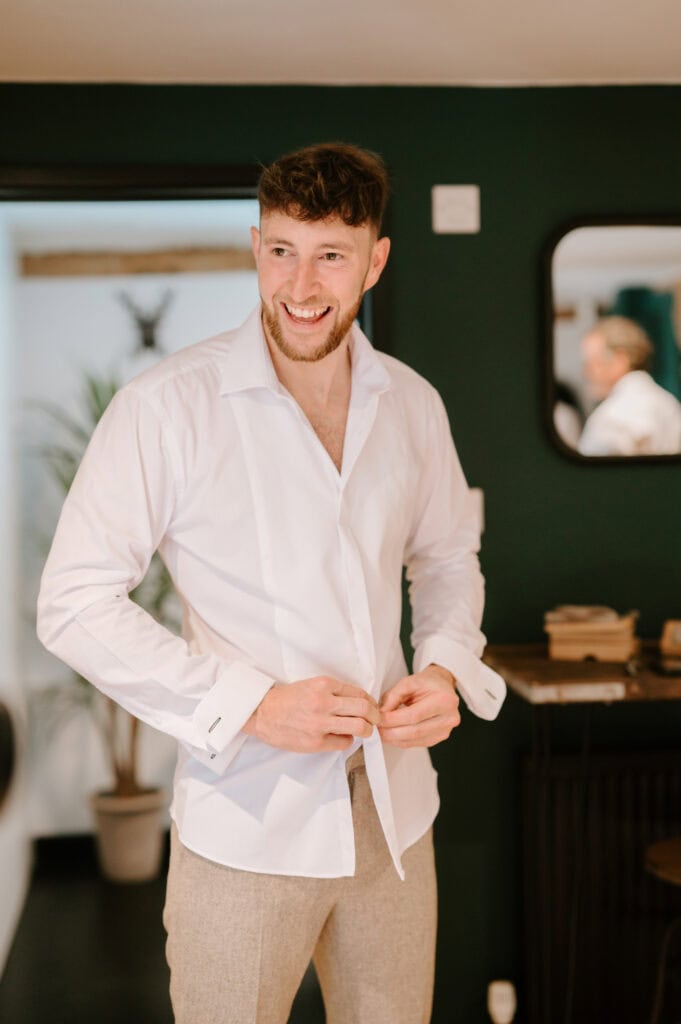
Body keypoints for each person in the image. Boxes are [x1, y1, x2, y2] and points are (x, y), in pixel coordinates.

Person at [37, 142, 506, 1024]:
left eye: (331, 254)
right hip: (245, 821)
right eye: (282, 250)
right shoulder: (164, 407)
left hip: (395, 823)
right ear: (256, 246)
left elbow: (445, 557)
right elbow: (72, 602)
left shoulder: (413, 403)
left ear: (376, 260)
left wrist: (443, 668)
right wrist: (250, 703)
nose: (301, 285)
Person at [578, 315, 681, 456]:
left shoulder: (613, 416)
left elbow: (594, 475)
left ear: (620, 360)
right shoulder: (669, 403)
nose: (587, 373)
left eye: (593, 363)